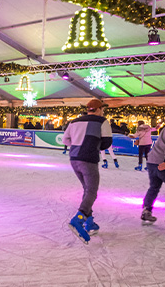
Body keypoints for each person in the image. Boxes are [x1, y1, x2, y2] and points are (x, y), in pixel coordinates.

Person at [58, 98, 113, 242]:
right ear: (100, 109)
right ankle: (79, 218)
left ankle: (90, 223)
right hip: (88, 159)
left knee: (87, 190)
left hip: (74, 159)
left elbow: (65, 140)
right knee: (92, 192)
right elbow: (107, 142)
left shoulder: (74, 121)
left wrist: (77, 146)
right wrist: (92, 146)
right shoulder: (102, 121)